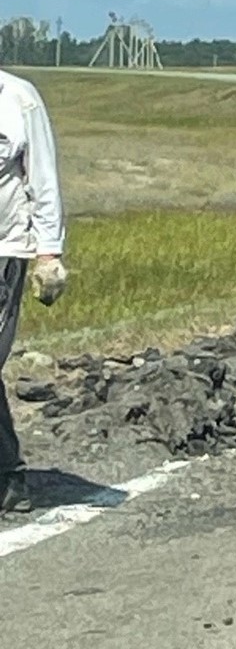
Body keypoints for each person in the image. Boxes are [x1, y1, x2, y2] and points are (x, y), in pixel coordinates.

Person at [0, 67, 67, 515]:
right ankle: (8, 475)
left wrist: (49, 253)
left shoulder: (18, 98)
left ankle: (8, 478)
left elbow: (42, 176)